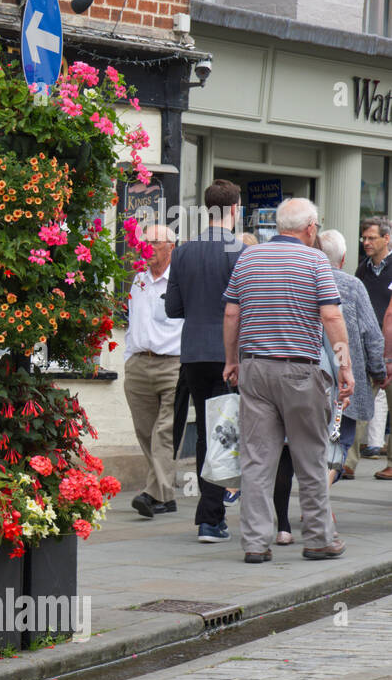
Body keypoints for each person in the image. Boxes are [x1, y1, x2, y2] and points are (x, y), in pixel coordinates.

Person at [222, 198, 354, 564]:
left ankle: (255, 543)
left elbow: (232, 312)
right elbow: (330, 315)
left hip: (255, 369)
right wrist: (345, 367)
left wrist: (232, 359)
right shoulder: (314, 261)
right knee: (310, 457)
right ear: (311, 227)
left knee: (257, 459)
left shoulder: (248, 258)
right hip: (300, 369)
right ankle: (318, 539)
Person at [271, 230, 384, 544]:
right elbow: (372, 335)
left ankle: (284, 524)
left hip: (294, 378)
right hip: (341, 384)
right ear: (343, 260)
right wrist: (377, 371)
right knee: (338, 446)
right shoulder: (352, 285)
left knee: (288, 450)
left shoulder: (293, 281)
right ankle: (316, 507)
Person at [165, 178, 243, 541]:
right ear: (235, 210)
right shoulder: (241, 252)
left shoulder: (182, 252)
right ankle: (211, 518)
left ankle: (209, 514)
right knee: (224, 433)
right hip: (229, 354)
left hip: (194, 352)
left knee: (204, 435)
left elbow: (173, 307)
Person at [122, 224, 183, 519]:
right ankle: (166, 495)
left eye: (154, 242)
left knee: (164, 432)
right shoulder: (139, 280)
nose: (146, 248)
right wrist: (128, 357)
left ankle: (152, 494)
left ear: (171, 246)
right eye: (143, 242)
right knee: (145, 431)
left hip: (173, 364)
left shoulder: (182, 280)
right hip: (138, 364)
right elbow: (134, 322)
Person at [353, 217, 392, 475]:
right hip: (365, 347)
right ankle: (346, 461)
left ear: (386, 238)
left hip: (390, 349)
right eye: (363, 238)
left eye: (371, 238)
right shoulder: (362, 270)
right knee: (355, 403)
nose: (366, 243)